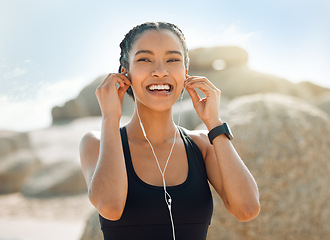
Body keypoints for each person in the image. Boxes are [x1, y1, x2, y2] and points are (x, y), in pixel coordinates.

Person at [80, 22, 260, 240]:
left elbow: (247, 209)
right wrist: (110, 118)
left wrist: (214, 122)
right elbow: (110, 207)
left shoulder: (203, 145)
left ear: (185, 73)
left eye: (172, 59)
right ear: (125, 73)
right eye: (145, 59)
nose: (160, 72)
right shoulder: (97, 143)